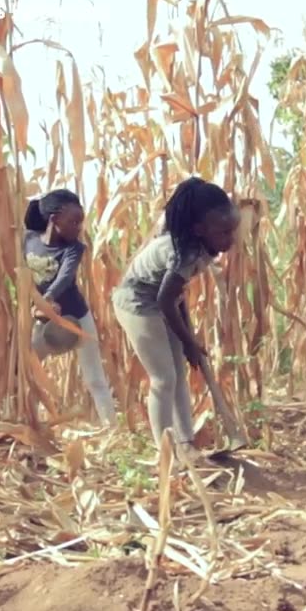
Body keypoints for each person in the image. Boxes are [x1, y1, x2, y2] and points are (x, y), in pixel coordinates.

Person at [112, 177, 240, 460]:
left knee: (179, 374)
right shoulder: (183, 253)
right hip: (137, 303)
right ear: (199, 229)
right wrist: (189, 342)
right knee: (163, 378)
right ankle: (166, 454)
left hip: (161, 300)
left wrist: (187, 342)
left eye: (233, 230)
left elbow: (174, 296)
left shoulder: (201, 247)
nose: (229, 240)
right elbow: (164, 299)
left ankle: (186, 444)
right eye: (223, 233)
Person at [23, 188, 116, 426]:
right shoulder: (29, 240)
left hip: (77, 319)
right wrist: (39, 307)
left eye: (80, 222)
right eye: (73, 221)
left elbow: (65, 277)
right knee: (28, 370)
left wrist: (48, 298)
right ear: (54, 220)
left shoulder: (75, 248)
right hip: (43, 322)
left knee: (95, 377)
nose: (78, 227)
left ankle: (111, 427)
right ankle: (27, 421)